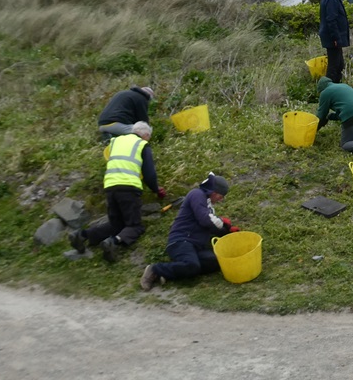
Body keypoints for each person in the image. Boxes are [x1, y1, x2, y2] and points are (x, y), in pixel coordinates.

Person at [70, 121, 167, 262]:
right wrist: (156, 189)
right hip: (129, 188)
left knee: (116, 224)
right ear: (146, 135)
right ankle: (113, 243)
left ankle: (82, 235)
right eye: (149, 137)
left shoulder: (116, 141)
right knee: (135, 226)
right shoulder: (142, 145)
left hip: (110, 186)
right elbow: (149, 174)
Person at [141, 173, 235, 290]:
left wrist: (228, 230)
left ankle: (170, 273)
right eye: (220, 197)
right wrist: (222, 221)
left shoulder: (208, 206)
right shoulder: (197, 194)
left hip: (196, 246)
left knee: (217, 261)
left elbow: (212, 226)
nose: (220, 200)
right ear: (214, 192)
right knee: (192, 265)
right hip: (181, 241)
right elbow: (205, 220)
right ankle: (155, 269)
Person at [319, 0, 351, 83]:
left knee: (339, 64)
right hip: (332, 38)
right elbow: (331, 20)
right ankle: (328, 90)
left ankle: (336, 87)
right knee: (334, 66)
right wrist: (336, 38)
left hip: (334, 38)